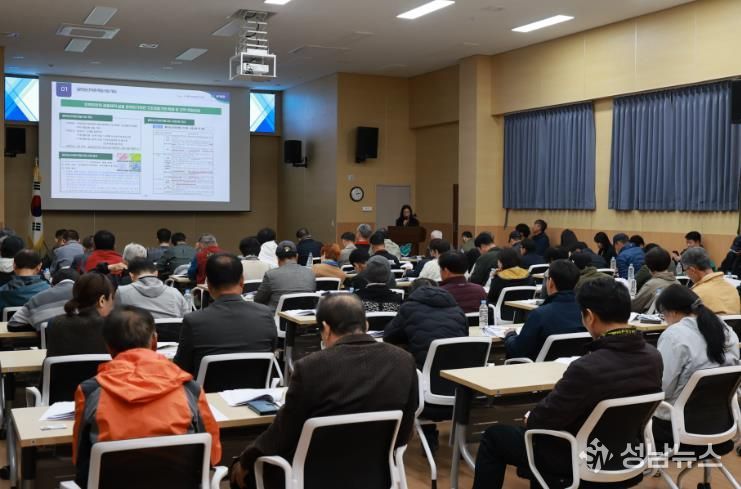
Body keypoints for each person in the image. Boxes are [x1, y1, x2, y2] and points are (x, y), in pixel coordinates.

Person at [472, 278, 663, 489]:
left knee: (495, 437)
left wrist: (531, 417)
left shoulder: (587, 367)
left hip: (576, 456)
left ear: (590, 316)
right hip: (625, 454)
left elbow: (542, 421)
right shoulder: (653, 357)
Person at [229, 293, 418, 489]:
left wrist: (246, 459)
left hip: (309, 477)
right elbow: (405, 430)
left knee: (246, 473)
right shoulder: (403, 361)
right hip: (377, 476)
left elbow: (283, 433)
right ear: (366, 325)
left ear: (326, 329)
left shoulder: (310, 367)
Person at [73, 306, 221, 489]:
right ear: (154, 341)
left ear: (108, 347)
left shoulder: (90, 392)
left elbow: (79, 459)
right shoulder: (190, 389)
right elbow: (212, 455)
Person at [651, 285, 740, 449]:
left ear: (672, 312)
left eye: (662, 314)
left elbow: (663, 389)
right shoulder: (726, 330)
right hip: (722, 425)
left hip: (676, 429)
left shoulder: (674, 335)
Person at [174, 254, 276, 376]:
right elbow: (271, 352)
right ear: (242, 282)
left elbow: (181, 367)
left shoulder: (193, 321)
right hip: (257, 388)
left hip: (207, 388)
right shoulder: (266, 314)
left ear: (209, 285)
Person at [504, 260, 585, 360]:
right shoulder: (587, 313)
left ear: (550, 282)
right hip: (577, 367)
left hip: (540, 368)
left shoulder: (540, 314)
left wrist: (510, 335)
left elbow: (518, 350)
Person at [384, 279, 467, 366]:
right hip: (458, 367)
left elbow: (388, 336)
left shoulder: (408, 308)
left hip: (422, 367)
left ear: (412, 292)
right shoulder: (458, 310)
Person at [45, 273, 114, 357]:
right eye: (112, 299)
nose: (112, 306)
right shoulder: (113, 328)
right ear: (102, 300)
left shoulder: (54, 324)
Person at [8, 268, 79, 332]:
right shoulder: (83, 294)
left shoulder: (36, 298)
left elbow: (13, 324)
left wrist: (39, 325)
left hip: (49, 342)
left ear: (52, 284)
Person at [115, 258, 189, 318]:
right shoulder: (175, 293)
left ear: (131, 275)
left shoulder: (122, 292)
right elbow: (186, 319)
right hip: (172, 332)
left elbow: (114, 318)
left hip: (137, 332)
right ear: (156, 273)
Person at [254, 241, 316, 312]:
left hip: (277, 317)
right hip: (305, 317)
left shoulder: (270, 275)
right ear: (297, 256)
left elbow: (258, 300)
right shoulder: (310, 273)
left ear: (277, 258)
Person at [682, 247, 741, 315]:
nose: (686, 274)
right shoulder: (732, 289)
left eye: (685, 270)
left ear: (692, 270)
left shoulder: (695, 295)